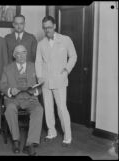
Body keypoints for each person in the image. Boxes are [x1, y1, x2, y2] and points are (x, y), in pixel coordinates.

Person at [35, 16, 77, 146]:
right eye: (44, 27)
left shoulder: (65, 40)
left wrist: (66, 70)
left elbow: (73, 56)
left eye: (49, 27)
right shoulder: (41, 43)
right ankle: (51, 132)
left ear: (54, 26)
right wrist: (39, 77)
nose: (47, 30)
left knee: (61, 108)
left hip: (60, 80)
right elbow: (38, 61)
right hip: (45, 80)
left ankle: (68, 136)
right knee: (48, 107)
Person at [0, 45, 43, 156]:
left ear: (26, 53)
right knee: (10, 109)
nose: (21, 55)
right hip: (13, 99)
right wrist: (10, 90)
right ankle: (16, 140)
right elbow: (2, 85)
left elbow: (40, 85)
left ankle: (29, 144)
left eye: (24, 52)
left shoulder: (34, 66)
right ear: (14, 56)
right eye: (18, 53)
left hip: (30, 98)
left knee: (38, 109)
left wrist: (36, 91)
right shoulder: (7, 68)